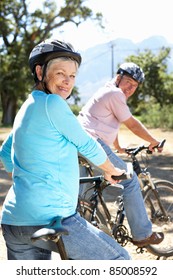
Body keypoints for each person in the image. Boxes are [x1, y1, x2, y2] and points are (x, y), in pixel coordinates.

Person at [0, 39, 131, 260]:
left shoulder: (27, 107)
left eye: (72, 76)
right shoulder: (53, 104)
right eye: (60, 73)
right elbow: (86, 143)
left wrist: (26, 179)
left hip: (14, 221)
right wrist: (110, 169)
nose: (67, 81)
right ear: (40, 71)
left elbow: (5, 152)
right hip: (51, 217)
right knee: (120, 261)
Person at [78, 62, 164, 247]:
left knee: (85, 194)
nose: (131, 88)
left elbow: (109, 122)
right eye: (128, 82)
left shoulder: (107, 92)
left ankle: (86, 234)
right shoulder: (115, 93)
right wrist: (153, 141)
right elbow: (132, 124)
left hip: (79, 143)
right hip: (92, 143)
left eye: (135, 86)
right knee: (130, 179)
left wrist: (118, 146)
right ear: (118, 78)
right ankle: (142, 235)